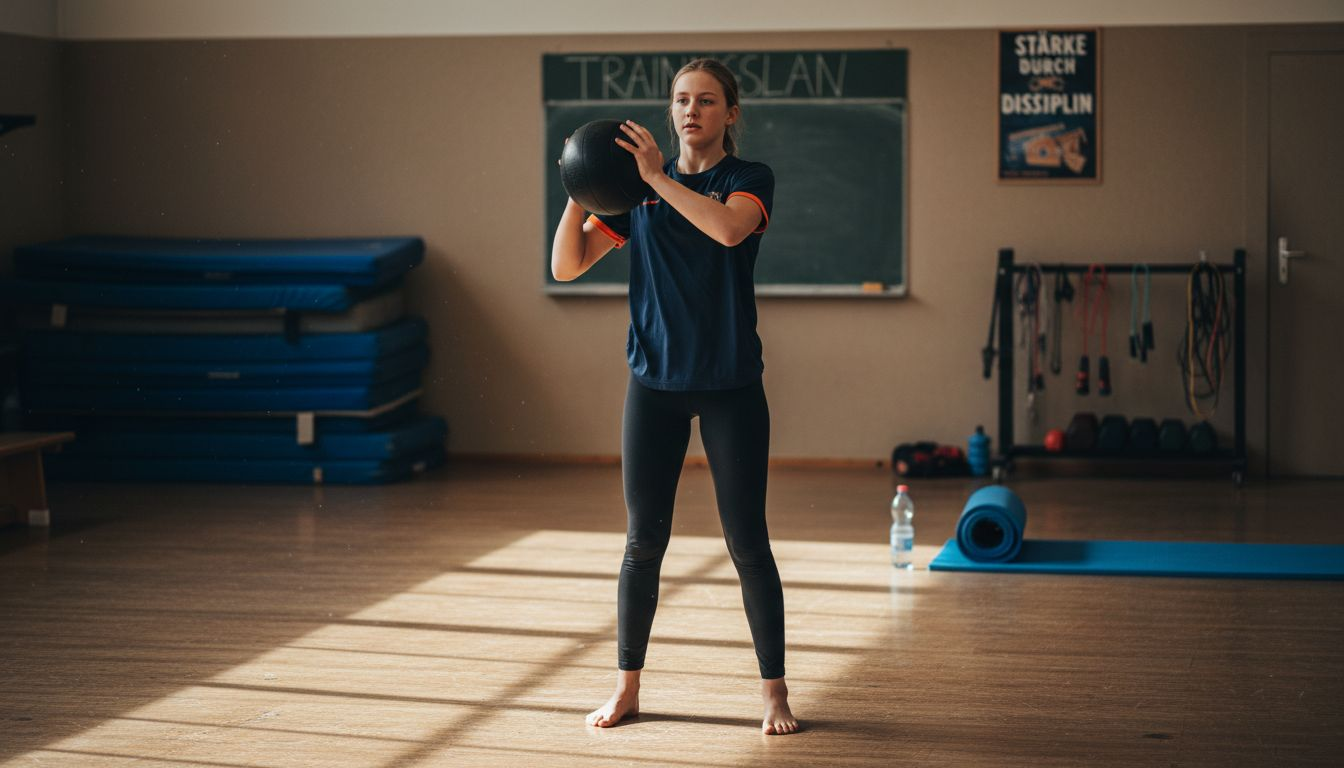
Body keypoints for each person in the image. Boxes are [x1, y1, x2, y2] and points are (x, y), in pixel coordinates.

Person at [551, 58, 798, 736]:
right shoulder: (633, 199)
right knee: (642, 543)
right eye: (682, 100)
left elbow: (726, 230)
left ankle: (774, 692)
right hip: (653, 388)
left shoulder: (745, 181)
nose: (693, 111)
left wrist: (655, 176)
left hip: (730, 388)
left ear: (730, 113)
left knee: (748, 543)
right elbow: (566, 266)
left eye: (708, 101)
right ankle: (627, 686)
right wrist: (583, 184)